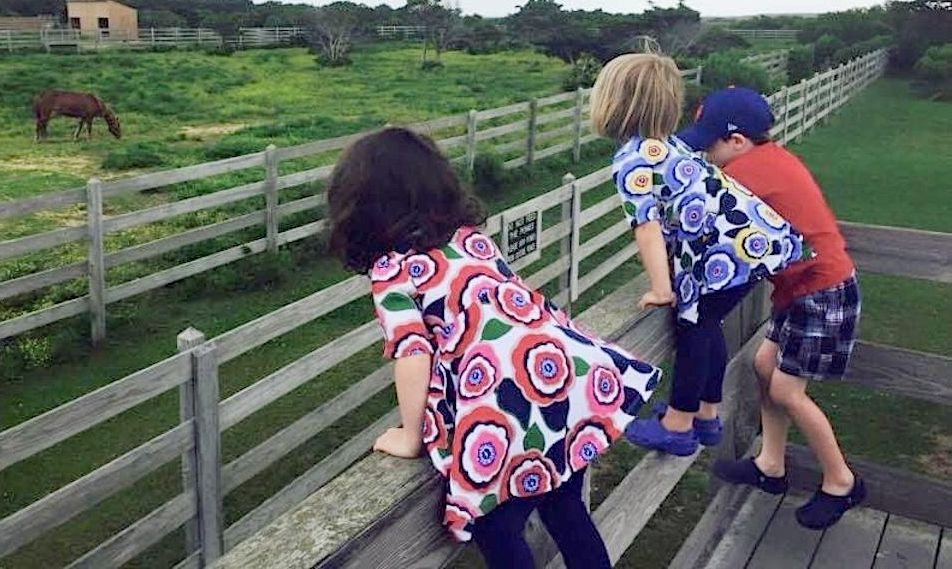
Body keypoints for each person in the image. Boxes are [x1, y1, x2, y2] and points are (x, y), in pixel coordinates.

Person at [326, 127, 661, 569]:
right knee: (565, 505)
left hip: (504, 401)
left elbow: (412, 353)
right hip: (560, 376)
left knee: (496, 527)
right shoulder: (470, 239)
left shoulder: (392, 272)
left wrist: (410, 436)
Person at [588, 53, 806, 457]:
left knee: (694, 326)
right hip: (749, 246)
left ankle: (678, 423)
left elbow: (647, 228)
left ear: (612, 106)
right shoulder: (668, 146)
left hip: (725, 255)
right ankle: (706, 414)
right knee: (707, 323)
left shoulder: (633, 160)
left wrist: (660, 287)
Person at [677, 86, 866, 529]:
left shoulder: (746, 176)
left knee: (786, 391)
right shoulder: (770, 159)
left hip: (822, 290)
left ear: (738, 142)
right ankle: (771, 465)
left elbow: (706, 223)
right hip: (801, 288)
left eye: (710, 146)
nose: (706, 155)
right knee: (765, 364)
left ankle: (842, 482)